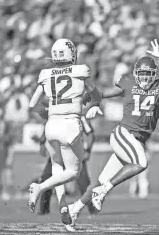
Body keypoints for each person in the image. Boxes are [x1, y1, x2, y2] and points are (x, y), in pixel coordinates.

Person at [65, 38, 159, 230]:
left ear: (154, 75)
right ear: (136, 74)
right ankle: (103, 191)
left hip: (135, 140)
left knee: (99, 181)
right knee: (140, 163)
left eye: (147, 75)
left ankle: (73, 210)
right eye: (141, 74)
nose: (144, 78)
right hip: (124, 134)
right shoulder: (128, 83)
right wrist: (93, 103)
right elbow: (102, 94)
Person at [28, 38, 102, 231]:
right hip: (70, 125)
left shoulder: (46, 74)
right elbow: (96, 94)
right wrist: (93, 102)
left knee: (57, 166)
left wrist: (44, 112)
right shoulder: (81, 71)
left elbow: (33, 104)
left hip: (51, 125)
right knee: (73, 172)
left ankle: (63, 210)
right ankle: (41, 187)